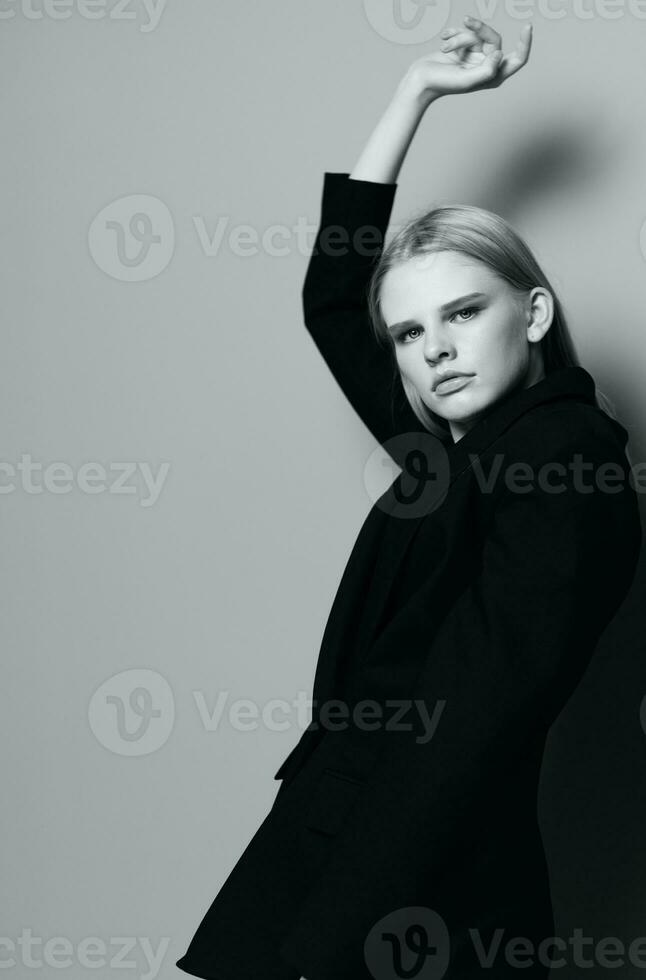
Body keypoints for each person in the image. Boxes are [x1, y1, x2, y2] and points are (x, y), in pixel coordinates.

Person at [176, 18, 642, 980]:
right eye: (410, 333)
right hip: (350, 825)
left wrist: (336, 925)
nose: (433, 349)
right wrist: (414, 95)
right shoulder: (454, 454)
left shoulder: (560, 455)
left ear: (536, 312)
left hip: (421, 869)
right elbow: (338, 299)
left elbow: (480, 714)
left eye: (465, 314)